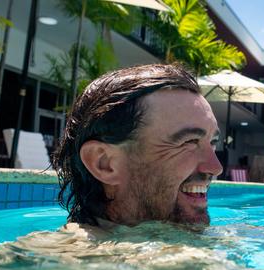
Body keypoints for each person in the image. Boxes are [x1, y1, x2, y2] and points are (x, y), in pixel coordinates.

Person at [53, 63, 223, 229]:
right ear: (104, 163)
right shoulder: (61, 256)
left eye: (213, 142)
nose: (216, 168)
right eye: (189, 142)